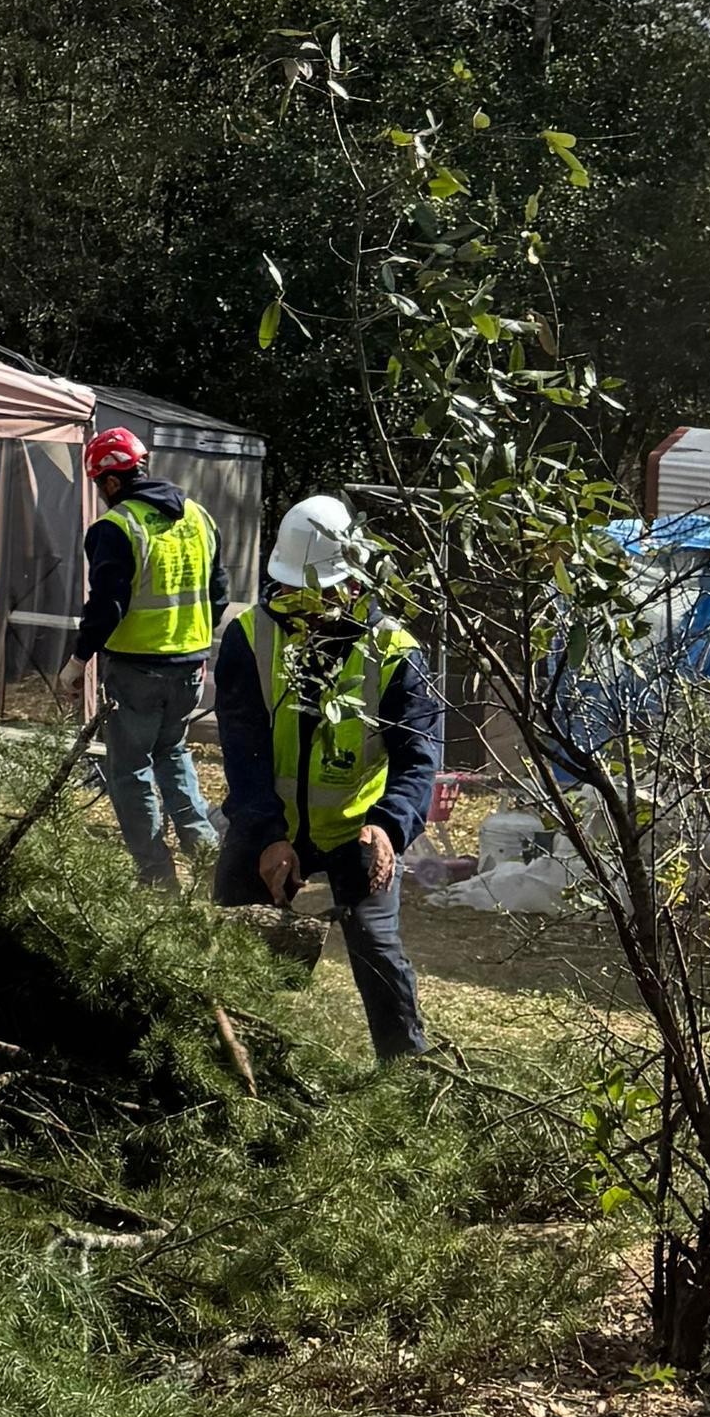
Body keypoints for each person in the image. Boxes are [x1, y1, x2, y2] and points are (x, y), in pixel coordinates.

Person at [210, 491, 440, 1064]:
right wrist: (267, 834)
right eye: (295, 592)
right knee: (236, 932)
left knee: (377, 948)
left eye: (322, 593)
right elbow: (243, 749)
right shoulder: (250, 638)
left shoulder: (395, 652)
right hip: (268, 817)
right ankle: (232, 1056)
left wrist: (389, 828)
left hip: (358, 828)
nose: (308, 608)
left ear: (356, 582)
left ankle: (405, 1072)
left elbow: (418, 759)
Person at [83, 421, 216, 889]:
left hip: (136, 669)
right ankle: (209, 861)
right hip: (190, 667)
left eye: (99, 484)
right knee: (172, 752)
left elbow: (108, 605)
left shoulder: (116, 527)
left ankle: (157, 879)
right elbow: (218, 591)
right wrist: (194, 640)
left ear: (111, 481)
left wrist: (78, 659)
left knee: (129, 771)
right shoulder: (197, 516)